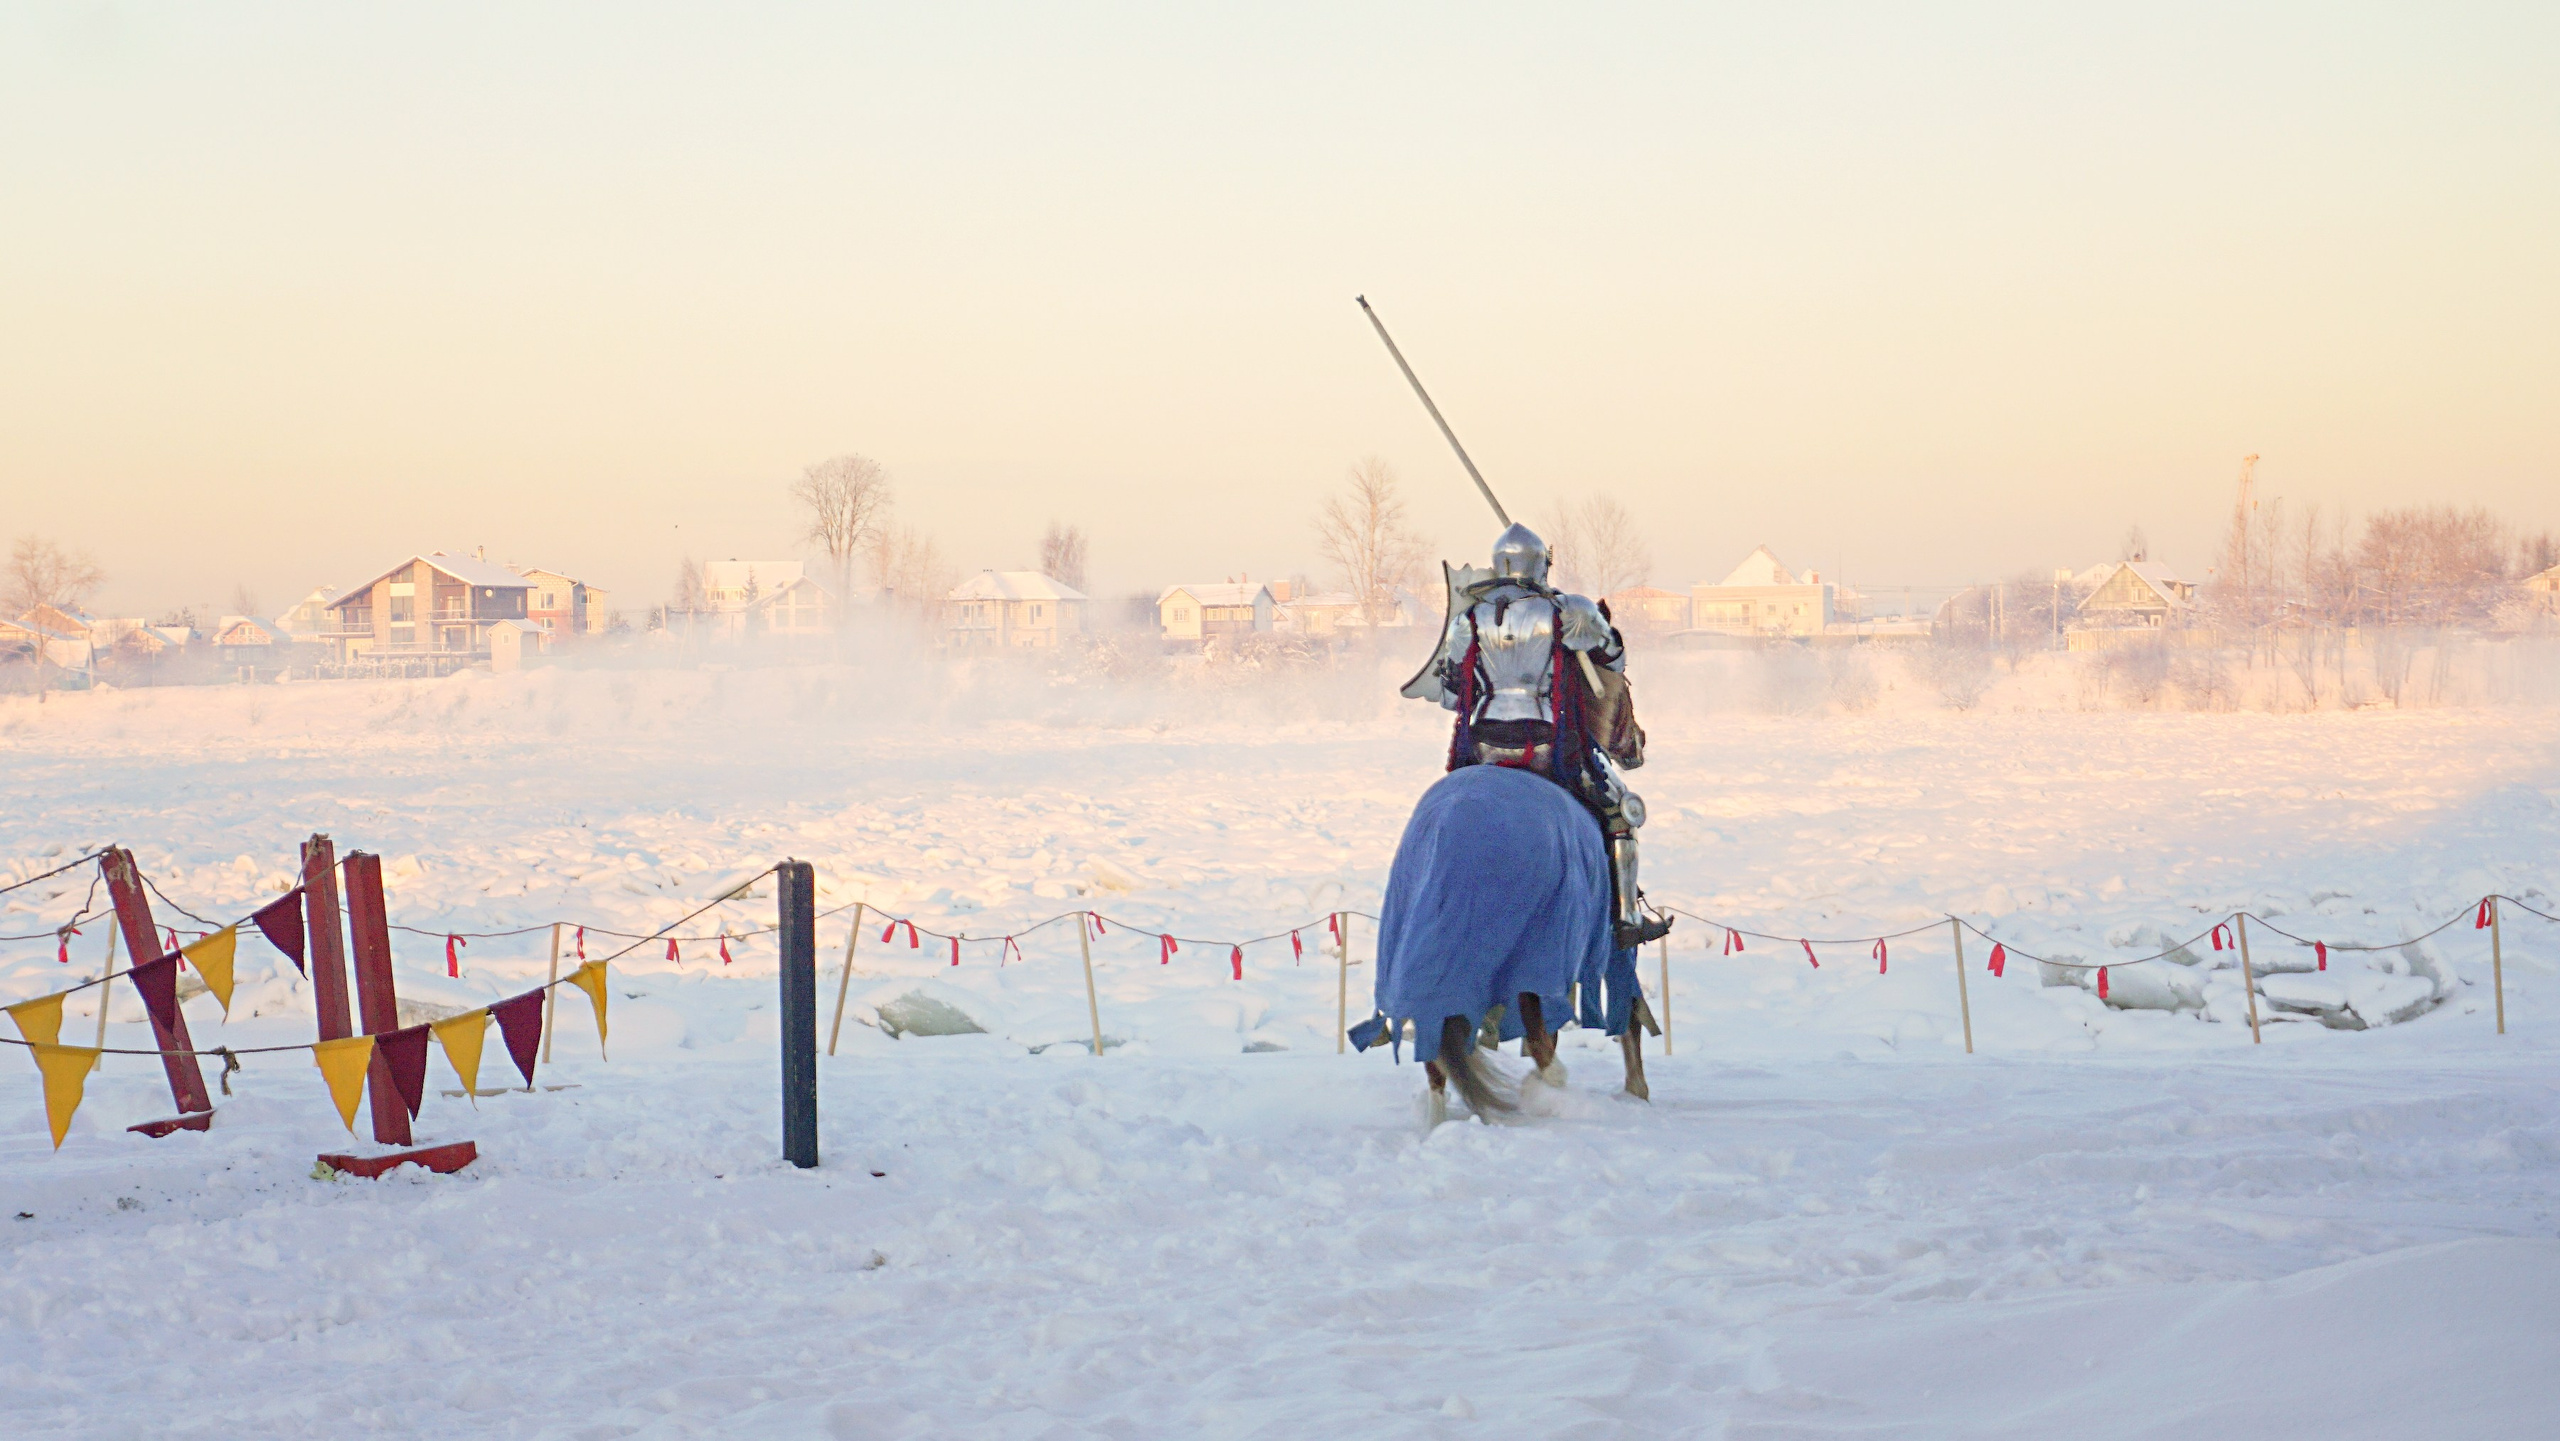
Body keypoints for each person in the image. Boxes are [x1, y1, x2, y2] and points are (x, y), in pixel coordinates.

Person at [1402, 522, 1673, 949]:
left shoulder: (1467, 617)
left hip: (1483, 745)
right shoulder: (1569, 608)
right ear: (1541, 565)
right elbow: (1615, 662)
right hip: (1548, 743)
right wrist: (1589, 630)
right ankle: (1627, 916)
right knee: (1622, 812)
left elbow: (1454, 695)